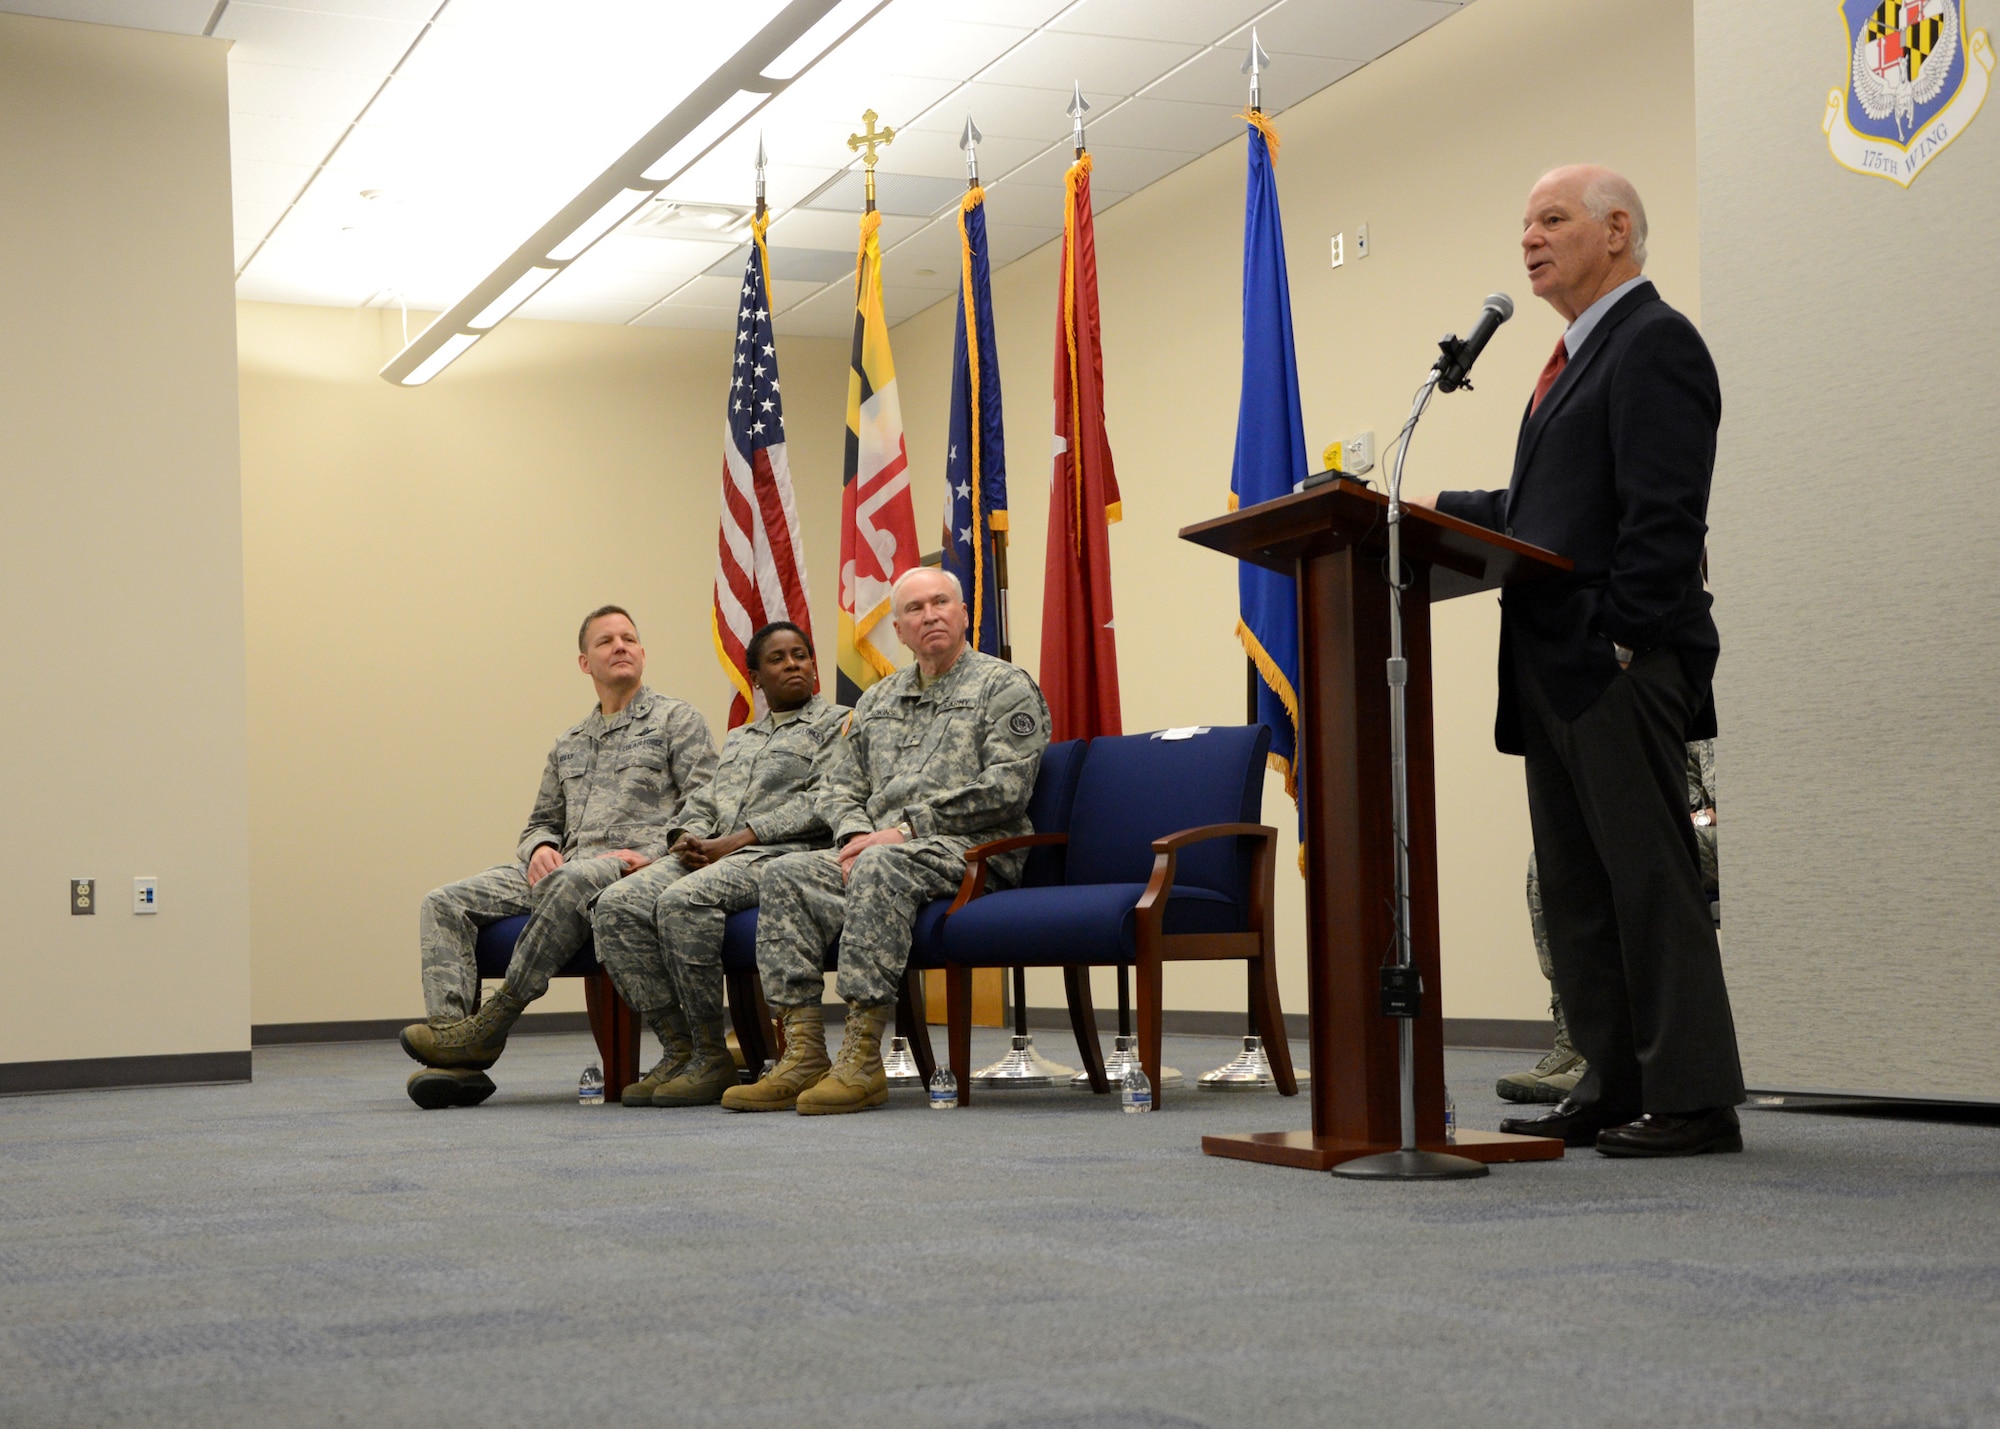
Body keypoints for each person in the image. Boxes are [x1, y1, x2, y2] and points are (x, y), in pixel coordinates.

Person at [1417, 165, 1745, 1157]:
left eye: (1550, 219)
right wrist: (1429, 511)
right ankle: (1611, 1082)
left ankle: (1691, 1096)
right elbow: (1546, 515)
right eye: (1522, 223)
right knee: (1578, 890)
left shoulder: (1653, 342)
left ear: (1615, 232)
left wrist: (1620, 634)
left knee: (1647, 879)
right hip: (1552, 664)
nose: (1529, 238)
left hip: (1615, 661)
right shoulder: (1565, 359)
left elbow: (1663, 511)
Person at [722, 566, 1050, 1116]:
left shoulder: (1003, 685)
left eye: (941, 603)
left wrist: (899, 832)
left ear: (964, 613)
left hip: (973, 850)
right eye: (915, 609)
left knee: (881, 866)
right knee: (786, 874)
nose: (931, 616)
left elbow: (1007, 788)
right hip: (880, 848)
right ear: (897, 630)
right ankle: (801, 1052)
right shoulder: (876, 700)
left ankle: (862, 1057)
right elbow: (838, 787)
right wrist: (854, 835)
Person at [399, 606, 718, 1109]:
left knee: (575, 879)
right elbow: (538, 824)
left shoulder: (677, 720)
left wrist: (650, 854)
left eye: (629, 638)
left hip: (638, 864)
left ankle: (493, 1024)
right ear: (583, 662)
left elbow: (705, 808)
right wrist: (541, 849)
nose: (620, 646)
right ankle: (453, 1054)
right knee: (443, 902)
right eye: (606, 641)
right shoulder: (568, 744)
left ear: (642, 653)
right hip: (567, 866)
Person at [591, 622, 847, 1108]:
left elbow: (828, 801)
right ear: (755, 677)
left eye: (801, 655)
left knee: (684, 900)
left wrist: (737, 839)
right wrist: (683, 837)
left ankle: (711, 1054)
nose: (793, 664)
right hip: (713, 853)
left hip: (784, 854)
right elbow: (706, 799)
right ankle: (679, 1049)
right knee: (615, 905)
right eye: (778, 659)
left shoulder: (839, 723)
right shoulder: (741, 738)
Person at [1498, 739, 1719, 1104]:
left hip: (1734, 841)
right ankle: (1574, 1036)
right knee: (1548, 862)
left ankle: (1604, 1055)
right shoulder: (1691, 710)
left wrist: (1691, 818)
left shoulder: (1756, 707)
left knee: (1608, 863)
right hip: (1683, 830)